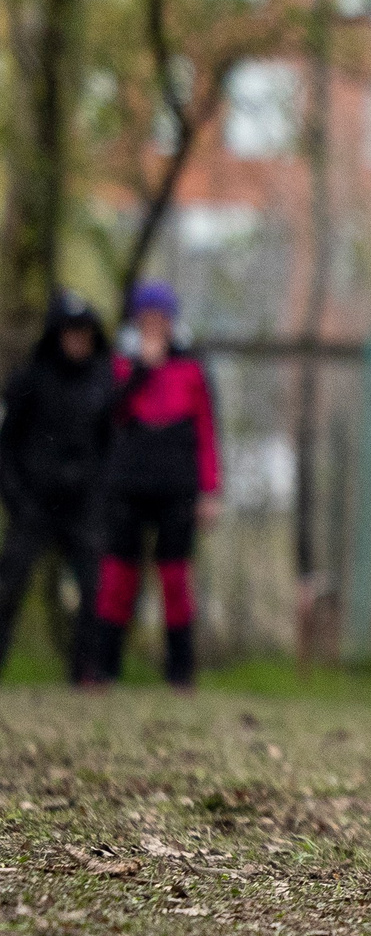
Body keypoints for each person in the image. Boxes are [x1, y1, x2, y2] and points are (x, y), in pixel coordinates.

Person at [81, 282, 221, 688]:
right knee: (118, 577)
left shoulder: (192, 367)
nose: (154, 322)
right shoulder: (120, 363)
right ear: (137, 318)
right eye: (147, 314)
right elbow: (108, 416)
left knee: (176, 579)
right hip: (126, 486)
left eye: (162, 315)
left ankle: (180, 672)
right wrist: (142, 369)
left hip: (177, 488)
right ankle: (105, 668)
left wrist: (210, 490)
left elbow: (207, 431)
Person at [0, 291, 117, 679]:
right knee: (9, 584)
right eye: (70, 333)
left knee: (93, 587)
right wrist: (16, 497)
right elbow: (7, 444)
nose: (77, 342)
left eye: (84, 334)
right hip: (33, 501)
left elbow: (110, 445)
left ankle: (84, 672)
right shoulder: (31, 379)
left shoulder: (101, 381)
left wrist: (99, 496)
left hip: (82, 505)